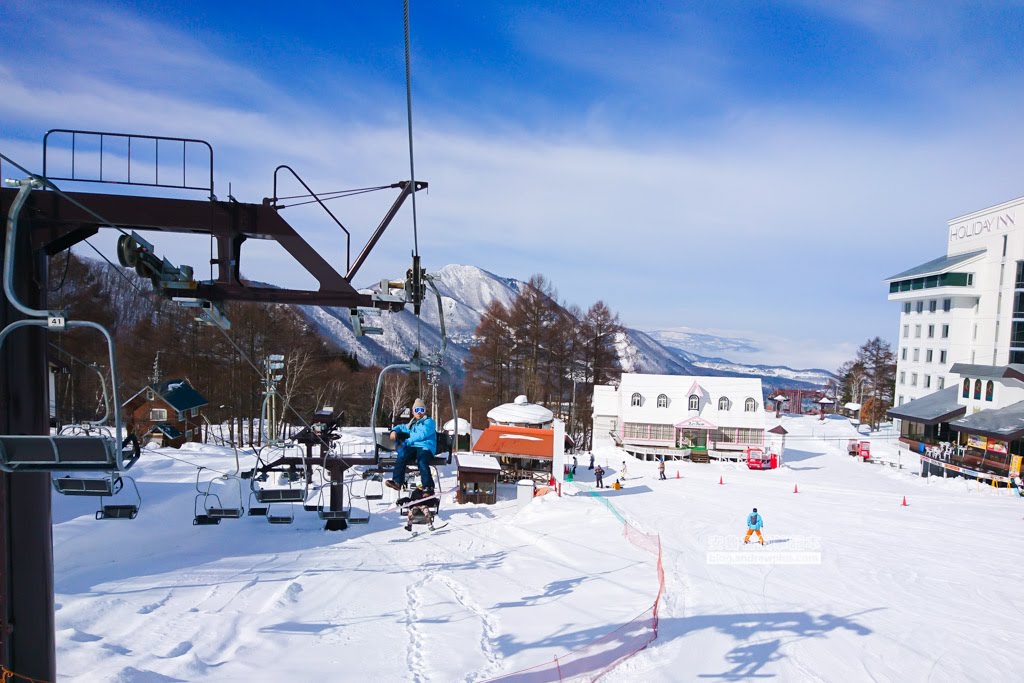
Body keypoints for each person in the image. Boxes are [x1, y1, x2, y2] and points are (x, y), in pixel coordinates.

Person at [385, 398, 437, 493]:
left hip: (426, 446)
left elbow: (422, 434)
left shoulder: (429, 422)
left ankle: (428, 486)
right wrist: (394, 431)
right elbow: (402, 427)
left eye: (422, 410)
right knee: (402, 455)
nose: (419, 413)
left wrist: (407, 442)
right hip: (414, 447)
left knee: (422, 461)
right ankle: (397, 482)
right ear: (413, 412)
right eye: (417, 410)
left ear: (425, 411)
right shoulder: (412, 424)